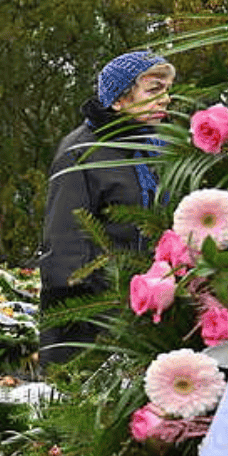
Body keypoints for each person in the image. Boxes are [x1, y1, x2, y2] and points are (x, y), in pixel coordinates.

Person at [38, 49, 175, 365]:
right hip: (100, 322)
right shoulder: (82, 153)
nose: (166, 99)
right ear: (119, 99)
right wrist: (91, 322)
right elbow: (66, 247)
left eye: (167, 90)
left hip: (157, 314)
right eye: (154, 89)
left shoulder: (163, 147)